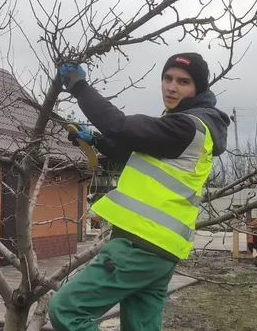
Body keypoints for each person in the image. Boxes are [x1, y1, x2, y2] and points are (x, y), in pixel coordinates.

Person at [49, 53, 230, 331]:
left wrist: (79, 86)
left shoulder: (186, 127)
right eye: (167, 78)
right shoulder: (189, 127)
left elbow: (119, 125)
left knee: (67, 311)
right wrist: (95, 140)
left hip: (140, 245)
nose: (171, 87)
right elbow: (130, 150)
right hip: (162, 252)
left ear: (198, 89)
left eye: (183, 82)